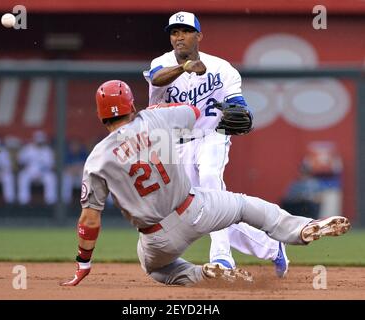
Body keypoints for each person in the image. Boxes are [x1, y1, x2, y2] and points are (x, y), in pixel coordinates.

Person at [60, 80, 350, 287]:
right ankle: (301, 227)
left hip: (157, 238)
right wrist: (162, 107)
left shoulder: (97, 159)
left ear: (100, 115)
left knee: (158, 271)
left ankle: (204, 274)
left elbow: (89, 219)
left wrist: (83, 262)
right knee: (245, 206)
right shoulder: (154, 119)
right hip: (195, 209)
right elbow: (193, 112)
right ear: (131, 105)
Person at [143, 11, 288, 277]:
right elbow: (156, 79)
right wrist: (183, 67)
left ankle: (222, 258)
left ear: (199, 36)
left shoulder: (222, 68)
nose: (179, 37)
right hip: (174, 144)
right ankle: (271, 247)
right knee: (198, 214)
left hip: (212, 136)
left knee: (211, 182)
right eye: (174, 32)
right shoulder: (161, 63)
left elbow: (237, 103)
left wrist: (242, 112)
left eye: (185, 31)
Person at [17, 130, 57, 205]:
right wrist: (26, 167)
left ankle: (50, 202)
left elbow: (51, 165)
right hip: (30, 171)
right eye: (38, 141)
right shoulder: (27, 149)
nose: (39, 143)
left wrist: (42, 171)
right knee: (23, 176)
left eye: (41, 141)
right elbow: (20, 162)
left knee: (50, 178)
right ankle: (23, 202)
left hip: (44, 172)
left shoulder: (47, 150)